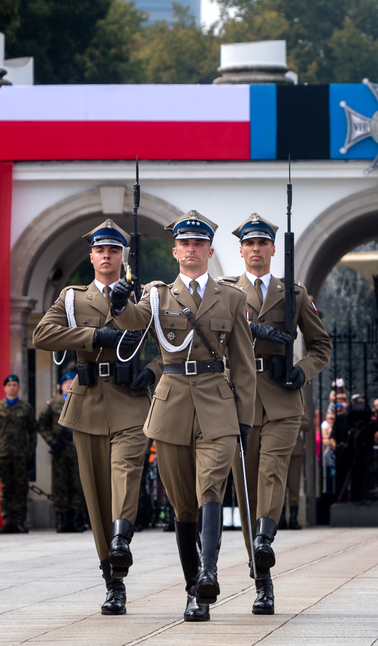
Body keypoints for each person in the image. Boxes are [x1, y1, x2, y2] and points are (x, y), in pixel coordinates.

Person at [110, 209, 257, 623]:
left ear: (210, 251)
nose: (191, 250)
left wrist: (244, 421)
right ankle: (193, 586)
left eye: (199, 244)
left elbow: (243, 366)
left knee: (211, 488)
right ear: (175, 251)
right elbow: (133, 322)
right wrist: (119, 301)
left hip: (216, 403)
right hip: (172, 402)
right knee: (182, 505)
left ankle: (208, 575)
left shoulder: (232, 298)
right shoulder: (156, 296)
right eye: (185, 244)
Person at [33, 219, 155, 616]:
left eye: (114, 251)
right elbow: (42, 335)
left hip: (131, 402)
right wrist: (92, 337)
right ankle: (113, 580)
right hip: (87, 405)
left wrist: (151, 371)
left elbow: (174, 343)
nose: (107, 256)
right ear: (91, 257)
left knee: (125, 475)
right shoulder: (72, 299)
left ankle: (121, 540)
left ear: (124, 256)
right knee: (98, 496)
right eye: (101, 251)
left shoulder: (146, 297)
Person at [224, 212, 332, 615]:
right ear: (241, 251)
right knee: (248, 488)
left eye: (262, 243)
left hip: (284, 399)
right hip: (241, 399)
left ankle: (266, 540)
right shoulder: (226, 293)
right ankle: (262, 580)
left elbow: (321, 346)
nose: (255, 250)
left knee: (271, 473)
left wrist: (301, 371)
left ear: (273, 248)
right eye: (249, 244)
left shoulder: (295, 294)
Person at [0, 375, 37, 534]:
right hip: (3, 455)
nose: (12, 387)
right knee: (6, 489)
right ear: (5, 388)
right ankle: (8, 522)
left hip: (21, 455)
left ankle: (20, 522)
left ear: (19, 388)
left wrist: (31, 454)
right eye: (9, 385)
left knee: (21, 489)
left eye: (15, 384)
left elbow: (33, 432)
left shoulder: (26, 408)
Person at [36, 372, 86, 533]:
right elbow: (41, 424)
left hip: (78, 449)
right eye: (66, 382)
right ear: (61, 386)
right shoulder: (54, 403)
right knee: (61, 485)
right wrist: (51, 441)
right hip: (61, 451)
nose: (69, 384)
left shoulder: (83, 400)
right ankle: (63, 520)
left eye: (72, 382)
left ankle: (77, 520)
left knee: (79, 485)